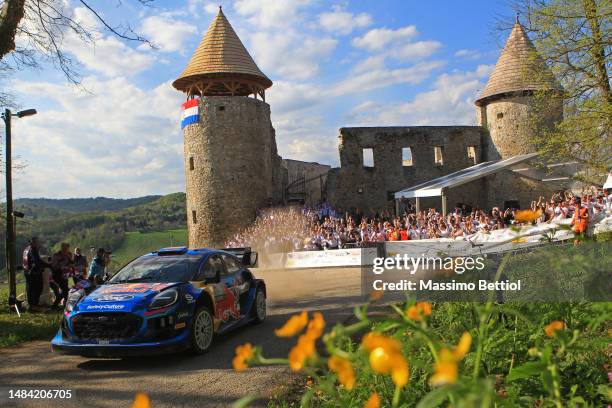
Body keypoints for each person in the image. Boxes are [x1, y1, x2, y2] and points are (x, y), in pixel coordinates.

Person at [22, 237, 50, 312]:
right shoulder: (33, 249)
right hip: (33, 273)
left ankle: (32, 305)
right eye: (38, 242)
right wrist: (49, 265)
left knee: (30, 289)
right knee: (37, 289)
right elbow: (37, 261)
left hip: (27, 272)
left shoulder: (27, 249)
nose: (39, 244)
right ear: (34, 242)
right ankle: (34, 306)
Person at [51, 243, 73, 310]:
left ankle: (63, 305)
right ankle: (56, 305)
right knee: (65, 290)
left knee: (65, 291)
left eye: (67, 249)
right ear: (62, 248)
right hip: (57, 275)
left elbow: (72, 263)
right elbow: (54, 266)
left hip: (65, 275)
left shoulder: (69, 255)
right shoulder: (56, 255)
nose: (66, 250)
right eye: (64, 248)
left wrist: (71, 265)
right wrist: (63, 266)